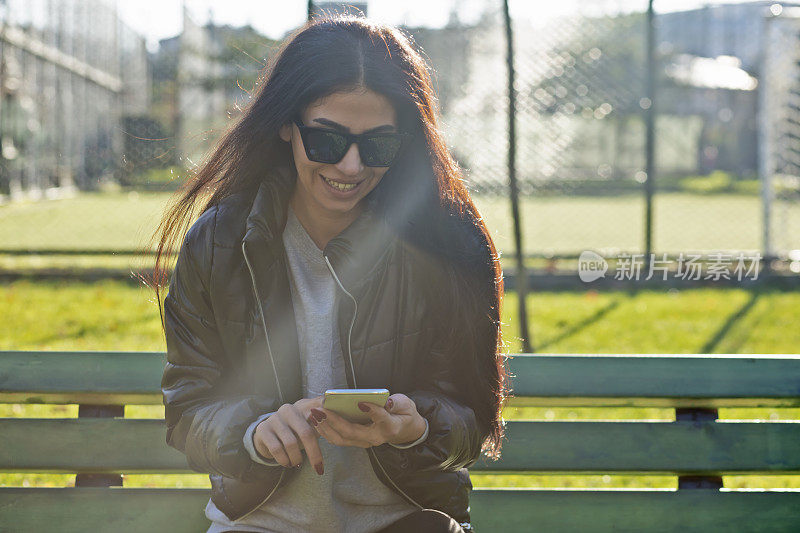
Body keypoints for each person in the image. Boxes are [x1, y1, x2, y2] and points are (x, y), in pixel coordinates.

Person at [151, 13, 506, 533]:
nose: (351, 167)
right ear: (285, 126)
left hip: (410, 519)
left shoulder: (448, 241)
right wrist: (255, 435)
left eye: (378, 145)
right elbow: (189, 411)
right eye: (327, 140)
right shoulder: (218, 242)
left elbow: (474, 419)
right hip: (258, 522)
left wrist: (415, 428)